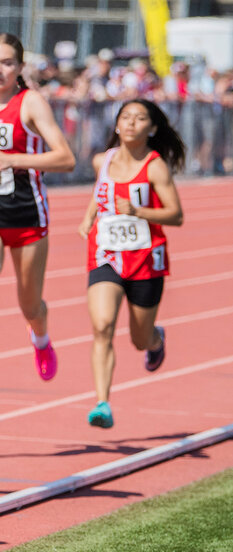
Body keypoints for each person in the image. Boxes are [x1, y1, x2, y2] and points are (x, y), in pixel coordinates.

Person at [0, 33, 76, 433]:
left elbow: (65, 158)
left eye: (7, 62)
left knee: (30, 304)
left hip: (28, 215)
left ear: (19, 67)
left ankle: (40, 337)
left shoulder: (30, 103)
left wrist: (13, 160)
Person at [78, 99, 184, 429]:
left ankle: (156, 340)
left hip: (144, 259)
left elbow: (176, 215)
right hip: (106, 254)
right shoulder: (103, 160)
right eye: (126, 117)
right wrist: (87, 218)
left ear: (151, 129)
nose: (131, 123)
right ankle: (102, 403)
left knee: (139, 338)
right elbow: (100, 192)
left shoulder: (155, 166)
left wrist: (138, 212)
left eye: (140, 119)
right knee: (102, 325)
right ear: (116, 125)